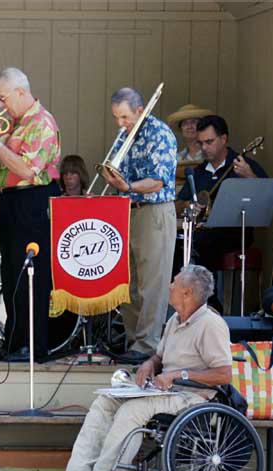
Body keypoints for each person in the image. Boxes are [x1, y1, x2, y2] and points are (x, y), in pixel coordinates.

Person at [64, 265, 233, 471]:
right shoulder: (175, 319)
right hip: (166, 392)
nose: (170, 286)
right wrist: (149, 364)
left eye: (174, 282)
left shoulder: (210, 324)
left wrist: (178, 375)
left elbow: (224, 374)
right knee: (106, 401)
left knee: (132, 411)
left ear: (188, 293)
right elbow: (160, 357)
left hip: (193, 397)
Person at [0, 67, 62, 362]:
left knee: (31, 275)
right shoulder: (14, 123)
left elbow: (27, 170)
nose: (0, 105)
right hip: (10, 200)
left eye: (3, 98)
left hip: (33, 201)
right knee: (12, 274)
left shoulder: (42, 123)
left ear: (21, 92)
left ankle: (33, 346)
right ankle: (13, 342)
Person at [98, 87, 178, 364]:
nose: (120, 123)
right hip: (128, 210)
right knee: (127, 283)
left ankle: (148, 345)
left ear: (140, 111)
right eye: (116, 118)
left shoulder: (160, 134)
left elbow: (158, 180)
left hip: (153, 211)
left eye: (124, 117)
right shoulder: (126, 134)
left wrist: (127, 186)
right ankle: (134, 342)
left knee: (152, 283)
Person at [176, 115, 268, 275]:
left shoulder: (243, 165)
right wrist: (189, 205)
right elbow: (177, 204)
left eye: (209, 142)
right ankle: (182, 297)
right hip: (201, 230)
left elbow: (267, 196)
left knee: (204, 242)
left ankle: (209, 297)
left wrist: (249, 176)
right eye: (200, 143)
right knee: (177, 243)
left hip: (235, 232)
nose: (204, 148)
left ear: (223, 139)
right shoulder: (198, 172)